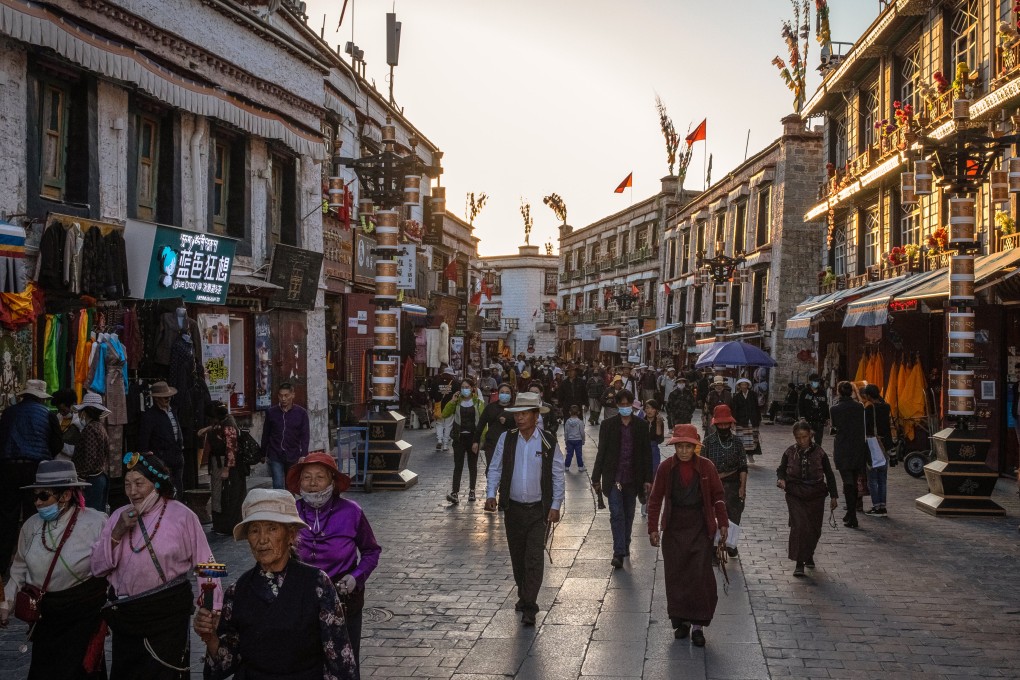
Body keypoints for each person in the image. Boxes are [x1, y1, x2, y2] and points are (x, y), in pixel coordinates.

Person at [194, 489, 358, 679]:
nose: (262, 539)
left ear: (290, 535)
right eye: (255, 530)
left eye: (272, 528)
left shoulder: (317, 584)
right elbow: (225, 663)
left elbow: (340, 659)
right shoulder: (238, 591)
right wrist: (211, 637)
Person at [91, 451, 219, 679]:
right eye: (128, 484)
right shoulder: (118, 517)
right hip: (128, 618)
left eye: (139, 483)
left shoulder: (183, 516)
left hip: (168, 615)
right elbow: (98, 568)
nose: (132, 491)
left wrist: (211, 604)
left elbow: (208, 563)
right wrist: (118, 531)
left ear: (156, 483)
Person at [1, 460, 109, 679]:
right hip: (46, 619)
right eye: (36, 496)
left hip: (83, 617)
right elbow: (19, 570)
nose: (38, 503)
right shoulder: (31, 526)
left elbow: (112, 565)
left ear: (66, 495)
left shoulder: (96, 523)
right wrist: (6, 604)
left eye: (44, 496)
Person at [288, 453, 381, 670]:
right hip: (302, 600)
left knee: (344, 662)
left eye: (319, 477)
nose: (312, 483)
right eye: (306, 477)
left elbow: (371, 551)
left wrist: (356, 577)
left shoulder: (352, 511)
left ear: (332, 480)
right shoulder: (291, 513)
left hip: (344, 599)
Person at [484, 392, 565, 626]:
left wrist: (556, 504)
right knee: (518, 557)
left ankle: (530, 604)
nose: (520, 418)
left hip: (538, 510)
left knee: (534, 558)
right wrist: (491, 494)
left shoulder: (548, 441)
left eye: (525, 414)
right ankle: (523, 594)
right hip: (513, 509)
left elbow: (557, 474)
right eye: (517, 414)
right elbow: (495, 467)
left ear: (535, 416)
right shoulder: (507, 439)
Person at [647, 424, 729, 647]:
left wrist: (722, 522)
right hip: (674, 529)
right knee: (676, 576)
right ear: (675, 446)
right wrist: (653, 527)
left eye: (688, 447)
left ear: (695, 447)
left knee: (699, 577)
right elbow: (655, 499)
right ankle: (680, 621)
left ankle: (698, 625)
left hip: (700, 528)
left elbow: (718, 496)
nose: (683, 451)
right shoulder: (666, 468)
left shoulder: (706, 467)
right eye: (680, 446)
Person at [0, 379, 63, 577]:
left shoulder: (8, 413)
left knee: (6, 517)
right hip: (35, 469)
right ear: (41, 398)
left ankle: (2, 566)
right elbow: (58, 444)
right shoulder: (48, 414)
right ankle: (30, 563)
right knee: (33, 514)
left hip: (7, 467)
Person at [591, 390, 652, 569]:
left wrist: (648, 478)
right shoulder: (608, 425)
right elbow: (601, 451)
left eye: (628, 404)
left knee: (629, 513)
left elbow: (646, 454)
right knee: (616, 514)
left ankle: (625, 544)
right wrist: (596, 477)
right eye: (622, 404)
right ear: (617, 405)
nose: (625, 408)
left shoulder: (641, 426)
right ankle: (618, 552)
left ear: (632, 404)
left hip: (633, 478)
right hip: (613, 477)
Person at [776, 421, 839, 577]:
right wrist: (781, 479)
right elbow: (781, 469)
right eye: (798, 438)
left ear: (810, 435)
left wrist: (834, 495)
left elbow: (829, 474)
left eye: (804, 437)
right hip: (795, 493)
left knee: (813, 528)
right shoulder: (789, 452)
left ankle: (809, 553)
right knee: (799, 526)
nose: (801, 441)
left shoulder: (820, 453)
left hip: (816, 493)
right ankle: (799, 562)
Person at [699, 405, 747, 557]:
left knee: (734, 514)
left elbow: (743, 467)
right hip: (713, 485)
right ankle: (713, 548)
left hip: (733, 485)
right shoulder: (707, 442)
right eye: (721, 424)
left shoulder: (738, 443)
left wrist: (742, 487)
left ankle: (730, 543)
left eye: (727, 424)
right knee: (712, 515)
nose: (724, 426)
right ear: (716, 424)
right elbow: (701, 467)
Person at [199, 401, 244, 534]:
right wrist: (206, 429)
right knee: (218, 494)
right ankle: (219, 524)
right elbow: (216, 428)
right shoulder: (221, 422)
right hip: (217, 463)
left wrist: (226, 469)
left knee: (226, 495)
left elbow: (231, 448)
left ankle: (227, 526)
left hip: (225, 464)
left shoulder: (228, 425)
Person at [828, 381, 868, 529]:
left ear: (838, 392)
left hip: (843, 447)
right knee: (854, 479)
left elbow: (835, 429)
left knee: (848, 481)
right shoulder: (860, 407)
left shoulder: (835, 409)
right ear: (852, 392)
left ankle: (852, 515)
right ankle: (851, 513)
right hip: (858, 447)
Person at [136, 381, 185, 494]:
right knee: (164, 489)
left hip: (177, 457)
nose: (167, 399)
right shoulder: (149, 416)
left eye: (168, 397)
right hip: (161, 459)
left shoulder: (173, 411)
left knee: (178, 487)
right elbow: (143, 441)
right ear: (157, 398)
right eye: (164, 397)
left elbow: (177, 432)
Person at [442, 378, 486, 504]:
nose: (465, 389)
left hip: (473, 438)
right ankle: (455, 492)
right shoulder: (456, 402)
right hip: (459, 438)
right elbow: (444, 414)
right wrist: (452, 401)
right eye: (462, 387)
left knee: (472, 466)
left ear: (473, 388)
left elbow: (483, 423)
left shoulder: (478, 402)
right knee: (458, 466)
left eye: (467, 387)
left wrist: (480, 440)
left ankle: (472, 490)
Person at [260, 382, 310, 490]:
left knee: (290, 484)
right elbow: (266, 433)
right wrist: (263, 453)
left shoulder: (301, 413)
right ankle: (278, 505)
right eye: (281, 395)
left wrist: (304, 454)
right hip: (275, 453)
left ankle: (288, 506)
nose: (283, 398)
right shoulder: (271, 412)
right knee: (277, 484)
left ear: (292, 395)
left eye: (286, 395)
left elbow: (305, 435)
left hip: (293, 454)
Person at [72, 391, 112, 512]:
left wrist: (82, 477)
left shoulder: (90, 429)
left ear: (85, 411)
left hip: (91, 480)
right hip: (99, 477)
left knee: (90, 515)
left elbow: (90, 456)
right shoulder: (100, 428)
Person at [861, 384, 893, 516]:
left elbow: (866, 428)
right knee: (882, 478)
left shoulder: (869, 408)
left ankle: (876, 506)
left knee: (873, 478)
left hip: (873, 444)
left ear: (868, 395)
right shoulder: (886, 407)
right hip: (885, 444)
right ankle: (882, 506)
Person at [477, 383, 514, 473]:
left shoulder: (514, 408)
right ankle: (491, 485)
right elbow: (481, 424)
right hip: (492, 443)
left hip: (509, 444)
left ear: (511, 395)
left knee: (506, 469)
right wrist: (476, 441)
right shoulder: (490, 407)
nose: (504, 394)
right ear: (498, 393)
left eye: (507, 393)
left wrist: (507, 422)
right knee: (491, 467)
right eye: (502, 392)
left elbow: (519, 425)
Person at [641, 399, 666, 517]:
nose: (649, 410)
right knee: (643, 476)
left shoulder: (659, 421)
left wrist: (658, 424)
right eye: (647, 408)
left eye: (651, 408)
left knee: (653, 475)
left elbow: (659, 439)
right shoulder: (641, 421)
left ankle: (649, 503)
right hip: (643, 449)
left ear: (656, 410)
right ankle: (643, 498)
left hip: (654, 449)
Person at [731, 378, 762, 461]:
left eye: (745, 385)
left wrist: (759, 419)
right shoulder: (736, 397)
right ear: (739, 386)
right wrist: (733, 421)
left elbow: (757, 408)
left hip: (752, 419)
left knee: (752, 439)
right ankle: (742, 456)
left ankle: (750, 455)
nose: (744, 386)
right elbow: (734, 410)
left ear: (748, 386)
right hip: (741, 421)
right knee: (742, 439)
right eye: (742, 385)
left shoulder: (753, 395)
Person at [798, 374, 829, 447]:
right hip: (808, 420)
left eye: (818, 381)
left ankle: (817, 456)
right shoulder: (805, 392)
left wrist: (827, 417)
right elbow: (800, 405)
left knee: (818, 441)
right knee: (806, 440)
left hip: (819, 420)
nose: (817, 383)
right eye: (815, 381)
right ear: (811, 382)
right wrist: (802, 417)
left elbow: (825, 405)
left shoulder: (822, 392)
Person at [52, 388, 83, 459]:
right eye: (59, 410)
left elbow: (80, 449)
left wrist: (61, 446)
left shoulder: (80, 421)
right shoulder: (58, 417)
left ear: (73, 404)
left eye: (63, 410)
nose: (61, 413)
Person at [431, 368, 457, 451]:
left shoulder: (435, 382)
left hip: (439, 407)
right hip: (450, 407)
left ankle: (439, 440)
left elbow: (432, 395)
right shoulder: (455, 383)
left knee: (439, 424)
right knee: (448, 425)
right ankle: (445, 445)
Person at [563, 404, 586, 472]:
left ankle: (567, 466)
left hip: (570, 440)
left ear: (569, 412)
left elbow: (566, 432)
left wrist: (566, 440)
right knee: (579, 454)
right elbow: (582, 432)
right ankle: (580, 467)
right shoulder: (580, 422)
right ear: (579, 412)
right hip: (578, 440)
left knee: (569, 454)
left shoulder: (567, 422)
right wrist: (583, 440)